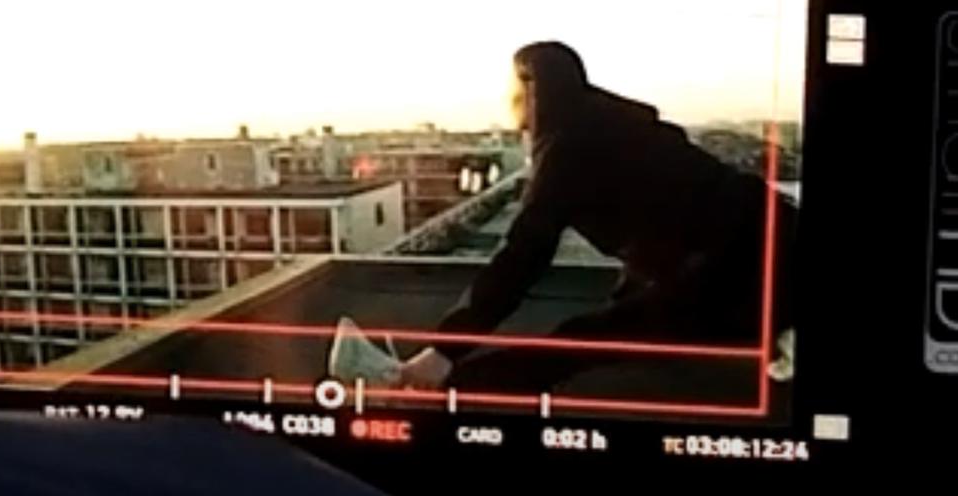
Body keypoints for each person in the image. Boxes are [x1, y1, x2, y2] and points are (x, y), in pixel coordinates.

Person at [330, 41, 796, 395]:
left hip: (748, 273)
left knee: (574, 344)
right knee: (597, 335)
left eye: (513, 86)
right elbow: (667, 222)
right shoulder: (609, 127)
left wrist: (446, 348)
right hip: (769, 255)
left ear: (532, 89)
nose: (507, 97)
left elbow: (523, 255)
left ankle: (415, 384)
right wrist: (630, 301)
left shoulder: (569, 147)